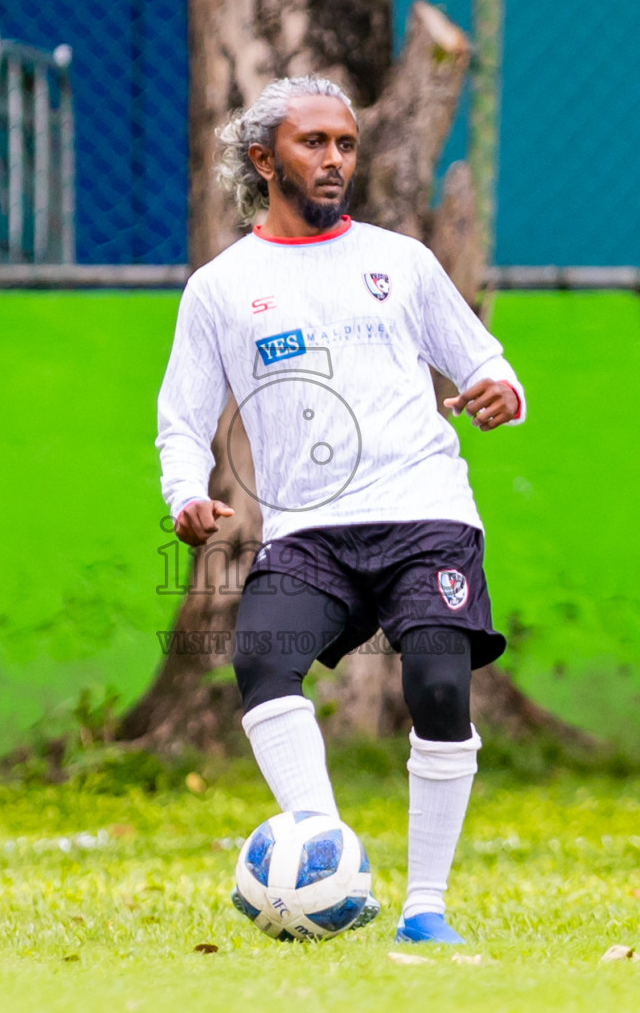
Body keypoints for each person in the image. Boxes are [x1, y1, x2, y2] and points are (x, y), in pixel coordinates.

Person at [155, 75, 526, 945]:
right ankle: (327, 854)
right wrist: (187, 495)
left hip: (424, 512)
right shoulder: (221, 288)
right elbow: (181, 419)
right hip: (307, 532)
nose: (333, 160)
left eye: (345, 144)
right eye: (313, 143)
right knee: (259, 658)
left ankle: (426, 910)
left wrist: (498, 389)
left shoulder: (400, 262)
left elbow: (482, 359)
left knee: (438, 688)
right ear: (263, 158)